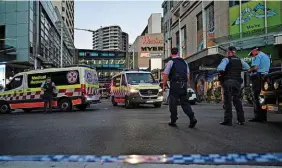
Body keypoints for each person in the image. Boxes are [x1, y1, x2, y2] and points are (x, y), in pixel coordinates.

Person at [162, 47, 197, 128]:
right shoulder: (184, 62)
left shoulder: (170, 62)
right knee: (185, 102)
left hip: (175, 85)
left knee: (173, 103)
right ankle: (192, 118)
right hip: (183, 85)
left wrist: (163, 85)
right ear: (178, 53)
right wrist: (187, 84)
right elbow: (188, 74)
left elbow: (165, 74)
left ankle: (173, 120)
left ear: (171, 53)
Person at [217, 46, 250, 126]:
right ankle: (241, 119)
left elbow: (220, 68)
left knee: (227, 102)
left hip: (228, 82)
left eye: (227, 52)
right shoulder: (240, 60)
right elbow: (248, 67)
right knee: (237, 100)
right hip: (237, 83)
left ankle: (228, 121)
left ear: (229, 52)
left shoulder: (226, 59)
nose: (227, 53)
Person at [247, 47, 270, 122]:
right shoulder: (266, 56)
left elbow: (256, 67)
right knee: (262, 97)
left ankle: (258, 117)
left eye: (252, 53)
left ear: (255, 51)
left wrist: (249, 70)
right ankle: (263, 117)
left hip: (258, 77)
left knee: (256, 96)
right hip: (265, 77)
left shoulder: (257, 56)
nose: (252, 55)